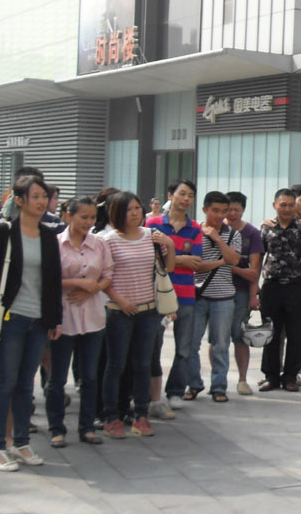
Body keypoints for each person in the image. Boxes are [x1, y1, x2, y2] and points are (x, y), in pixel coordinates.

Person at [0, 174, 63, 471]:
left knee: (26, 384)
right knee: (5, 384)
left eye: (44, 196)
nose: (41, 201)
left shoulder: (48, 235)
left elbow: (53, 280)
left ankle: (21, 442)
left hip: (39, 320)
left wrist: (55, 319)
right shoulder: (4, 232)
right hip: (11, 318)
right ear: (20, 200)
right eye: (35, 196)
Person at [101, 193, 176, 439]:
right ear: (116, 213)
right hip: (119, 312)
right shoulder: (108, 241)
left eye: (137, 208)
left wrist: (170, 244)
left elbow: (168, 267)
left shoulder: (151, 236)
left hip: (149, 311)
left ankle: (141, 415)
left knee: (143, 365)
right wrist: (120, 300)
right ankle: (111, 417)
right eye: (128, 209)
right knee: (115, 365)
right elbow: (103, 278)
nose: (134, 213)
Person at [46, 197, 112, 446]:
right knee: (58, 378)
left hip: (93, 317)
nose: (88, 222)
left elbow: (108, 274)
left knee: (90, 377)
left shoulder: (99, 243)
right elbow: (48, 279)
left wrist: (91, 290)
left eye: (92, 217)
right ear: (69, 216)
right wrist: (76, 283)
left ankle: (87, 427)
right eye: (83, 217)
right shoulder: (55, 244)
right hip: (63, 318)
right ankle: (56, 428)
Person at [147, 180, 205, 405]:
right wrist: (181, 258)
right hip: (157, 293)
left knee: (184, 348)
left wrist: (169, 256)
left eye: (190, 195)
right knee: (153, 345)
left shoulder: (195, 228)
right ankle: (150, 392)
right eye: (182, 194)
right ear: (171, 195)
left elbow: (196, 262)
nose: (186, 199)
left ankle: (175, 392)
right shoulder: (152, 224)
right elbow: (149, 256)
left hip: (186, 294)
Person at [258, 188, 301, 392]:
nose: (286, 209)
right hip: (271, 286)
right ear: (274, 205)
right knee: (270, 333)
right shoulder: (266, 227)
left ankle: (291, 376)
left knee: (295, 333)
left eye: (290, 205)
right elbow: (259, 257)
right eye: (282, 205)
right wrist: (254, 287)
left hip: (297, 287)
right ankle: (271, 376)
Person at [189, 191, 244, 403]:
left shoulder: (233, 234)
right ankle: (194, 384)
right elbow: (195, 265)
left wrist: (217, 239)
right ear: (205, 210)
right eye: (215, 211)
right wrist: (221, 261)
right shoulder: (194, 232)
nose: (220, 215)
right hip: (198, 296)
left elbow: (235, 260)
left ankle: (219, 387)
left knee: (221, 345)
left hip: (224, 298)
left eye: (224, 211)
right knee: (191, 344)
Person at [225, 192, 264, 396]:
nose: (232, 213)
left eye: (236, 210)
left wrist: (253, 295)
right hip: (216, 291)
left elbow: (254, 269)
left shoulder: (252, 233)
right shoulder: (215, 230)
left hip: (241, 292)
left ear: (243, 210)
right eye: (229, 209)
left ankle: (242, 379)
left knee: (239, 336)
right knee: (217, 339)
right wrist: (239, 270)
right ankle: (218, 381)